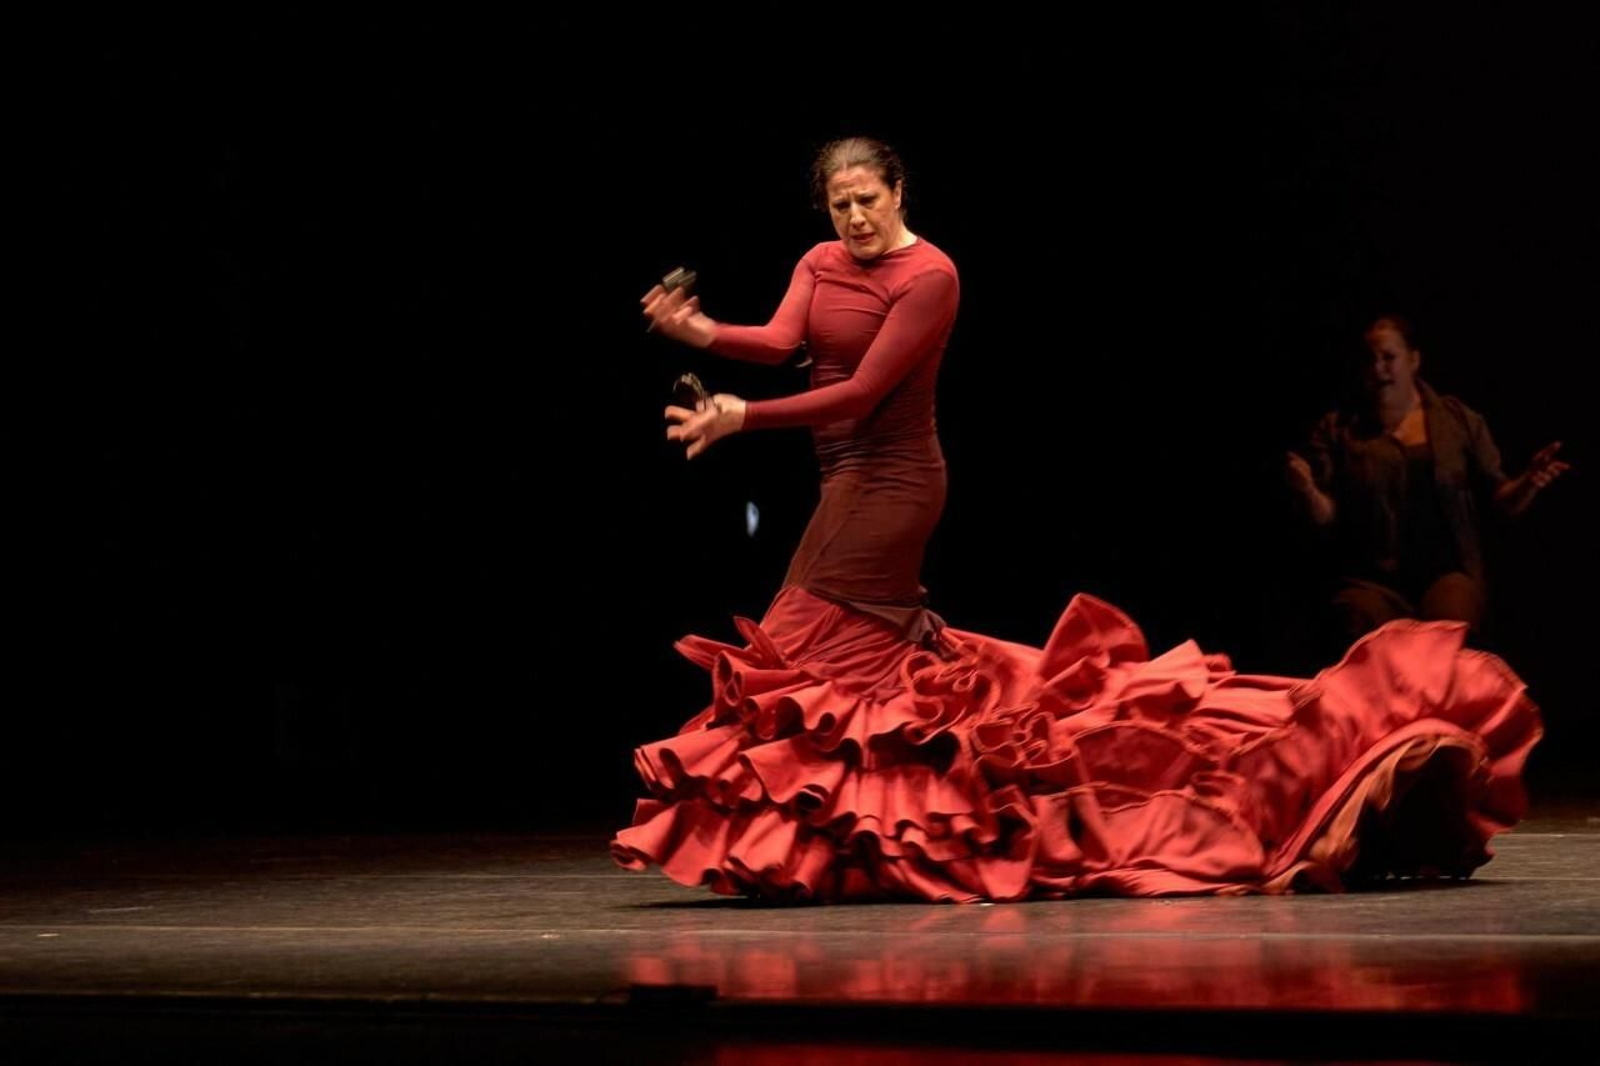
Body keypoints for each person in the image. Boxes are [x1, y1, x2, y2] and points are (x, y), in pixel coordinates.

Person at [611, 140, 1541, 903]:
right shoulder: (818, 262)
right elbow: (781, 343)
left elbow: (860, 389)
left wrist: (743, 418)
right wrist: (705, 337)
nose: (853, 218)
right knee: (867, 673)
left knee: (795, 640)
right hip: (840, 477)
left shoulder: (931, 276)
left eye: (867, 200)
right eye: (838, 204)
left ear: (898, 191)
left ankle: (805, 833)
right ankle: (872, 834)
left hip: (894, 486)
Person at [1286, 315, 1569, 643]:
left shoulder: (1457, 420)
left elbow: (1501, 497)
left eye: (1389, 357)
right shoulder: (1339, 430)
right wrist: (1307, 489)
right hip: (1372, 582)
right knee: (1360, 632)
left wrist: (1529, 482)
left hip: (1446, 574)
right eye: (1371, 360)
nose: (1379, 368)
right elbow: (1327, 516)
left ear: (1413, 360)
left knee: (1448, 637)